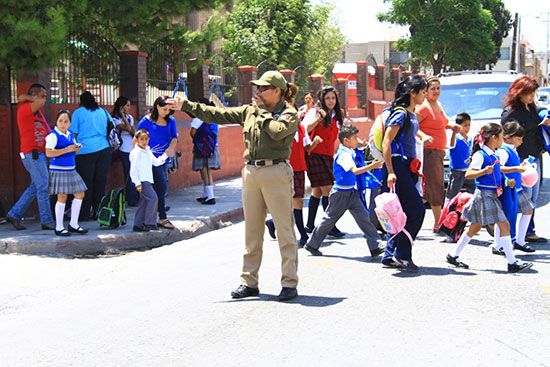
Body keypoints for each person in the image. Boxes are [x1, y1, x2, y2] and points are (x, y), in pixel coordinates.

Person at [168, 70, 300, 301]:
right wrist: (188, 105)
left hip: (276, 171)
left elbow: (277, 132)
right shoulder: (248, 111)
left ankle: (289, 282)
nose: (257, 91)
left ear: (277, 91)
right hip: (251, 171)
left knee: (284, 230)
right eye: (257, 87)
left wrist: (261, 111)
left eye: (263, 88)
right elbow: (218, 114)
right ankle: (249, 282)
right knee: (252, 231)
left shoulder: (288, 114)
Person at [446, 123, 533, 273]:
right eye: (500, 136)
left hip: (491, 194)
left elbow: (498, 174)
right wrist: (484, 171)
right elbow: (469, 174)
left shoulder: (494, 154)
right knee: (504, 224)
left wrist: (506, 181)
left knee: (475, 227)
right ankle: (512, 262)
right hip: (484, 195)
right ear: (493, 137)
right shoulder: (481, 155)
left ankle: (453, 254)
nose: (502, 140)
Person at [302, 123, 385, 257]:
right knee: (329, 220)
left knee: (364, 218)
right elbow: (356, 171)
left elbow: (358, 158)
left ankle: (375, 246)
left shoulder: (349, 151)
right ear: (346, 140)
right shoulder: (343, 155)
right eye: (354, 138)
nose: (357, 140)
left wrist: (365, 152)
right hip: (340, 195)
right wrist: (373, 166)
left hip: (351, 193)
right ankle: (312, 244)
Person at [381, 75, 429, 272]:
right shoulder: (400, 114)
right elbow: (386, 142)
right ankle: (402, 255)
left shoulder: (411, 114)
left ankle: (390, 254)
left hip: (407, 166)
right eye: (423, 92)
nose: (425, 95)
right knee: (416, 210)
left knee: (399, 212)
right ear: (412, 93)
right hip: (398, 166)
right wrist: (391, 171)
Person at [501, 76, 550, 243]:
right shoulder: (511, 112)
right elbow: (507, 136)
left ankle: (529, 231)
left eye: (533, 93)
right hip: (519, 159)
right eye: (528, 93)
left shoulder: (533, 109)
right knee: (523, 198)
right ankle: (514, 235)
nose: (531, 96)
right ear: (519, 93)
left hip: (535, 156)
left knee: (533, 197)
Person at [265, 116, 322, 246]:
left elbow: (307, 147)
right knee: (294, 201)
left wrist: (315, 142)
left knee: (295, 202)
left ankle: (274, 222)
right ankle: (302, 234)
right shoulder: (280, 129)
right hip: (285, 169)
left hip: (300, 169)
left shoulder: (301, 128)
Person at [6, 84, 55, 230]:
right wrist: (26, 97)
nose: (45, 99)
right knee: (43, 186)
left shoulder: (36, 112)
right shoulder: (25, 108)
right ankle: (46, 220)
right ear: (34, 95)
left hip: (38, 153)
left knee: (35, 186)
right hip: (32, 154)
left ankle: (14, 214)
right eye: (43, 95)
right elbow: (38, 101)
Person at [416, 76, 461, 233]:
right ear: (426, 91)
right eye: (432, 88)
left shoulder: (437, 105)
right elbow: (413, 125)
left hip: (439, 152)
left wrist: (451, 126)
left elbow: (441, 123)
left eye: (438, 88)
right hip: (429, 151)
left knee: (430, 188)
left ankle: (409, 216)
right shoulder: (423, 107)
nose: (436, 91)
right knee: (435, 185)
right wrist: (423, 137)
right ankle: (438, 222)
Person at [302, 86, 345, 237]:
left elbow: (337, 135)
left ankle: (309, 224)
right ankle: (330, 226)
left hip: (327, 156)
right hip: (313, 154)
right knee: (329, 189)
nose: (331, 101)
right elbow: (304, 129)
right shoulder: (315, 111)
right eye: (327, 98)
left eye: (333, 98)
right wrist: (319, 118)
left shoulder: (338, 115)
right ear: (322, 99)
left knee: (318, 191)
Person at [492, 120, 536, 255]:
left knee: (528, 210)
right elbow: (498, 168)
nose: (521, 141)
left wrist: (521, 165)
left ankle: (520, 241)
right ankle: (497, 245)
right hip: (507, 189)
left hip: (517, 188)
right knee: (503, 217)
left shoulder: (513, 150)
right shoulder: (503, 151)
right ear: (508, 137)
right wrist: (516, 168)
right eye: (518, 138)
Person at [137, 96, 178, 230]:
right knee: (157, 187)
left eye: (169, 109)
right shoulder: (146, 121)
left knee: (161, 188)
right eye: (164, 109)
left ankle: (155, 217)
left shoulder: (171, 120)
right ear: (157, 107)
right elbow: (136, 138)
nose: (167, 112)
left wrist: (172, 147)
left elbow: (174, 137)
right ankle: (160, 217)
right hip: (148, 159)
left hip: (162, 159)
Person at [70, 91, 112, 221]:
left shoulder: (78, 113)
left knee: (85, 183)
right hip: (104, 150)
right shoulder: (103, 112)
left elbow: (73, 133)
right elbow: (112, 129)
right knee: (100, 182)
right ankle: (99, 212)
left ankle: (83, 214)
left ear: (81, 102)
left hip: (84, 152)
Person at [45, 110, 88, 236]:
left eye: (66, 121)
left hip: (71, 169)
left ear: (70, 123)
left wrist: (76, 149)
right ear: (57, 122)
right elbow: (49, 153)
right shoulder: (53, 135)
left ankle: (73, 224)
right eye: (60, 121)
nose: (63, 124)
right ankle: (59, 227)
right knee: (62, 196)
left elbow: (72, 151)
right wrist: (66, 150)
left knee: (80, 193)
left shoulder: (70, 134)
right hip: (59, 169)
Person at [130, 129, 168, 232]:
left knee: (144, 201)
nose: (144, 141)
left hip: (148, 180)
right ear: (137, 140)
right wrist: (137, 182)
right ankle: (149, 223)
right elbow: (133, 169)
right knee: (153, 198)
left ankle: (138, 224)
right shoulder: (136, 153)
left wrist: (165, 155)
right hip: (142, 181)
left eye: (146, 139)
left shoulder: (147, 151)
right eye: (141, 139)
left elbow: (155, 162)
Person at [190, 98, 221, 205]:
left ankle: (210, 196)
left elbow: (193, 132)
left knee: (206, 172)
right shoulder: (213, 117)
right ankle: (206, 194)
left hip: (203, 147)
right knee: (206, 171)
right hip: (213, 146)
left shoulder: (199, 119)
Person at [112, 96, 138, 206]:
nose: (129, 108)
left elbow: (133, 130)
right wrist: (122, 115)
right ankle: (132, 199)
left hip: (131, 147)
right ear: (121, 107)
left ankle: (134, 197)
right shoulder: (115, 119)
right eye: (127, 105)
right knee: (129, 173)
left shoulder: (130, 117)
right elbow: (127, 129)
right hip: (123, 149)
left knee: (134, 173)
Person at [446, 112, 475, 200]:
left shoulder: (469, 139)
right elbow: (452, 145)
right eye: (465, 125)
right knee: (452, 193)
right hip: (457, 171)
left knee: (473, 190)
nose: (467, 128)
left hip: (467, 170)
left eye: (469, 125)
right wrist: (454, 133)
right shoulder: (456, 138)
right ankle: (448, 209)